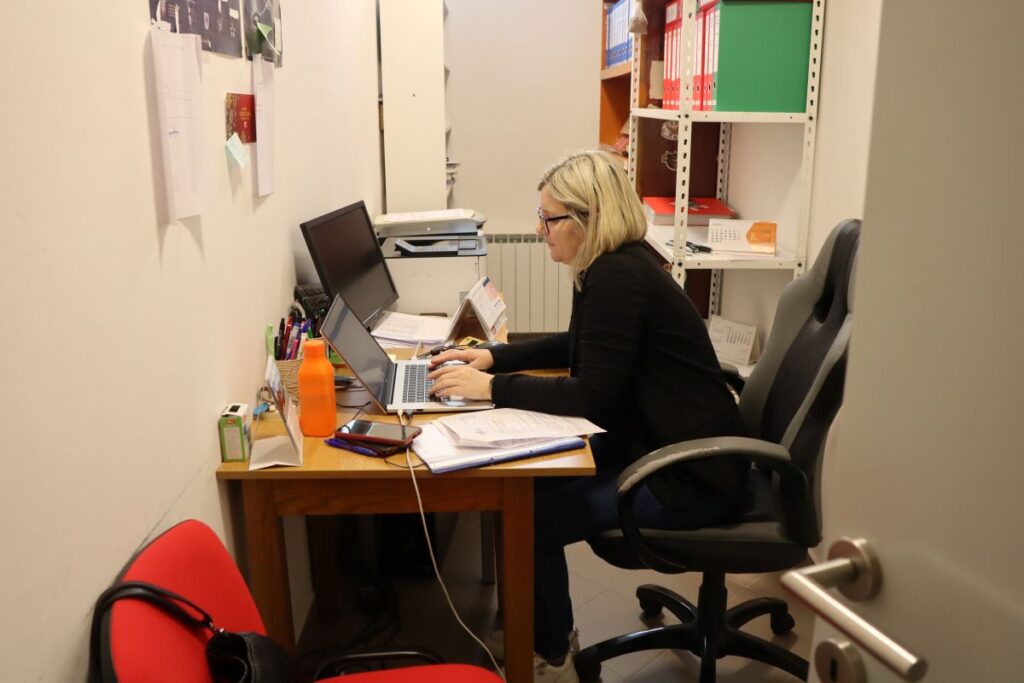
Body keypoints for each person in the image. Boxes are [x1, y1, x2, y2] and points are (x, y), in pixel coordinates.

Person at [427, 150, 747, 683]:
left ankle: (551, 655)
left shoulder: (618, 277)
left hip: (690, 473)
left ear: (586, 219)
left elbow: (591, 396)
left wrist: (492, 388)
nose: (540, 229)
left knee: (532, 518)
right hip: (655, 442)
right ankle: (542, 626)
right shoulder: (615, 265)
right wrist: (495, 357)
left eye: (549, 218)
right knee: (525, 487)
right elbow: (579, 343)